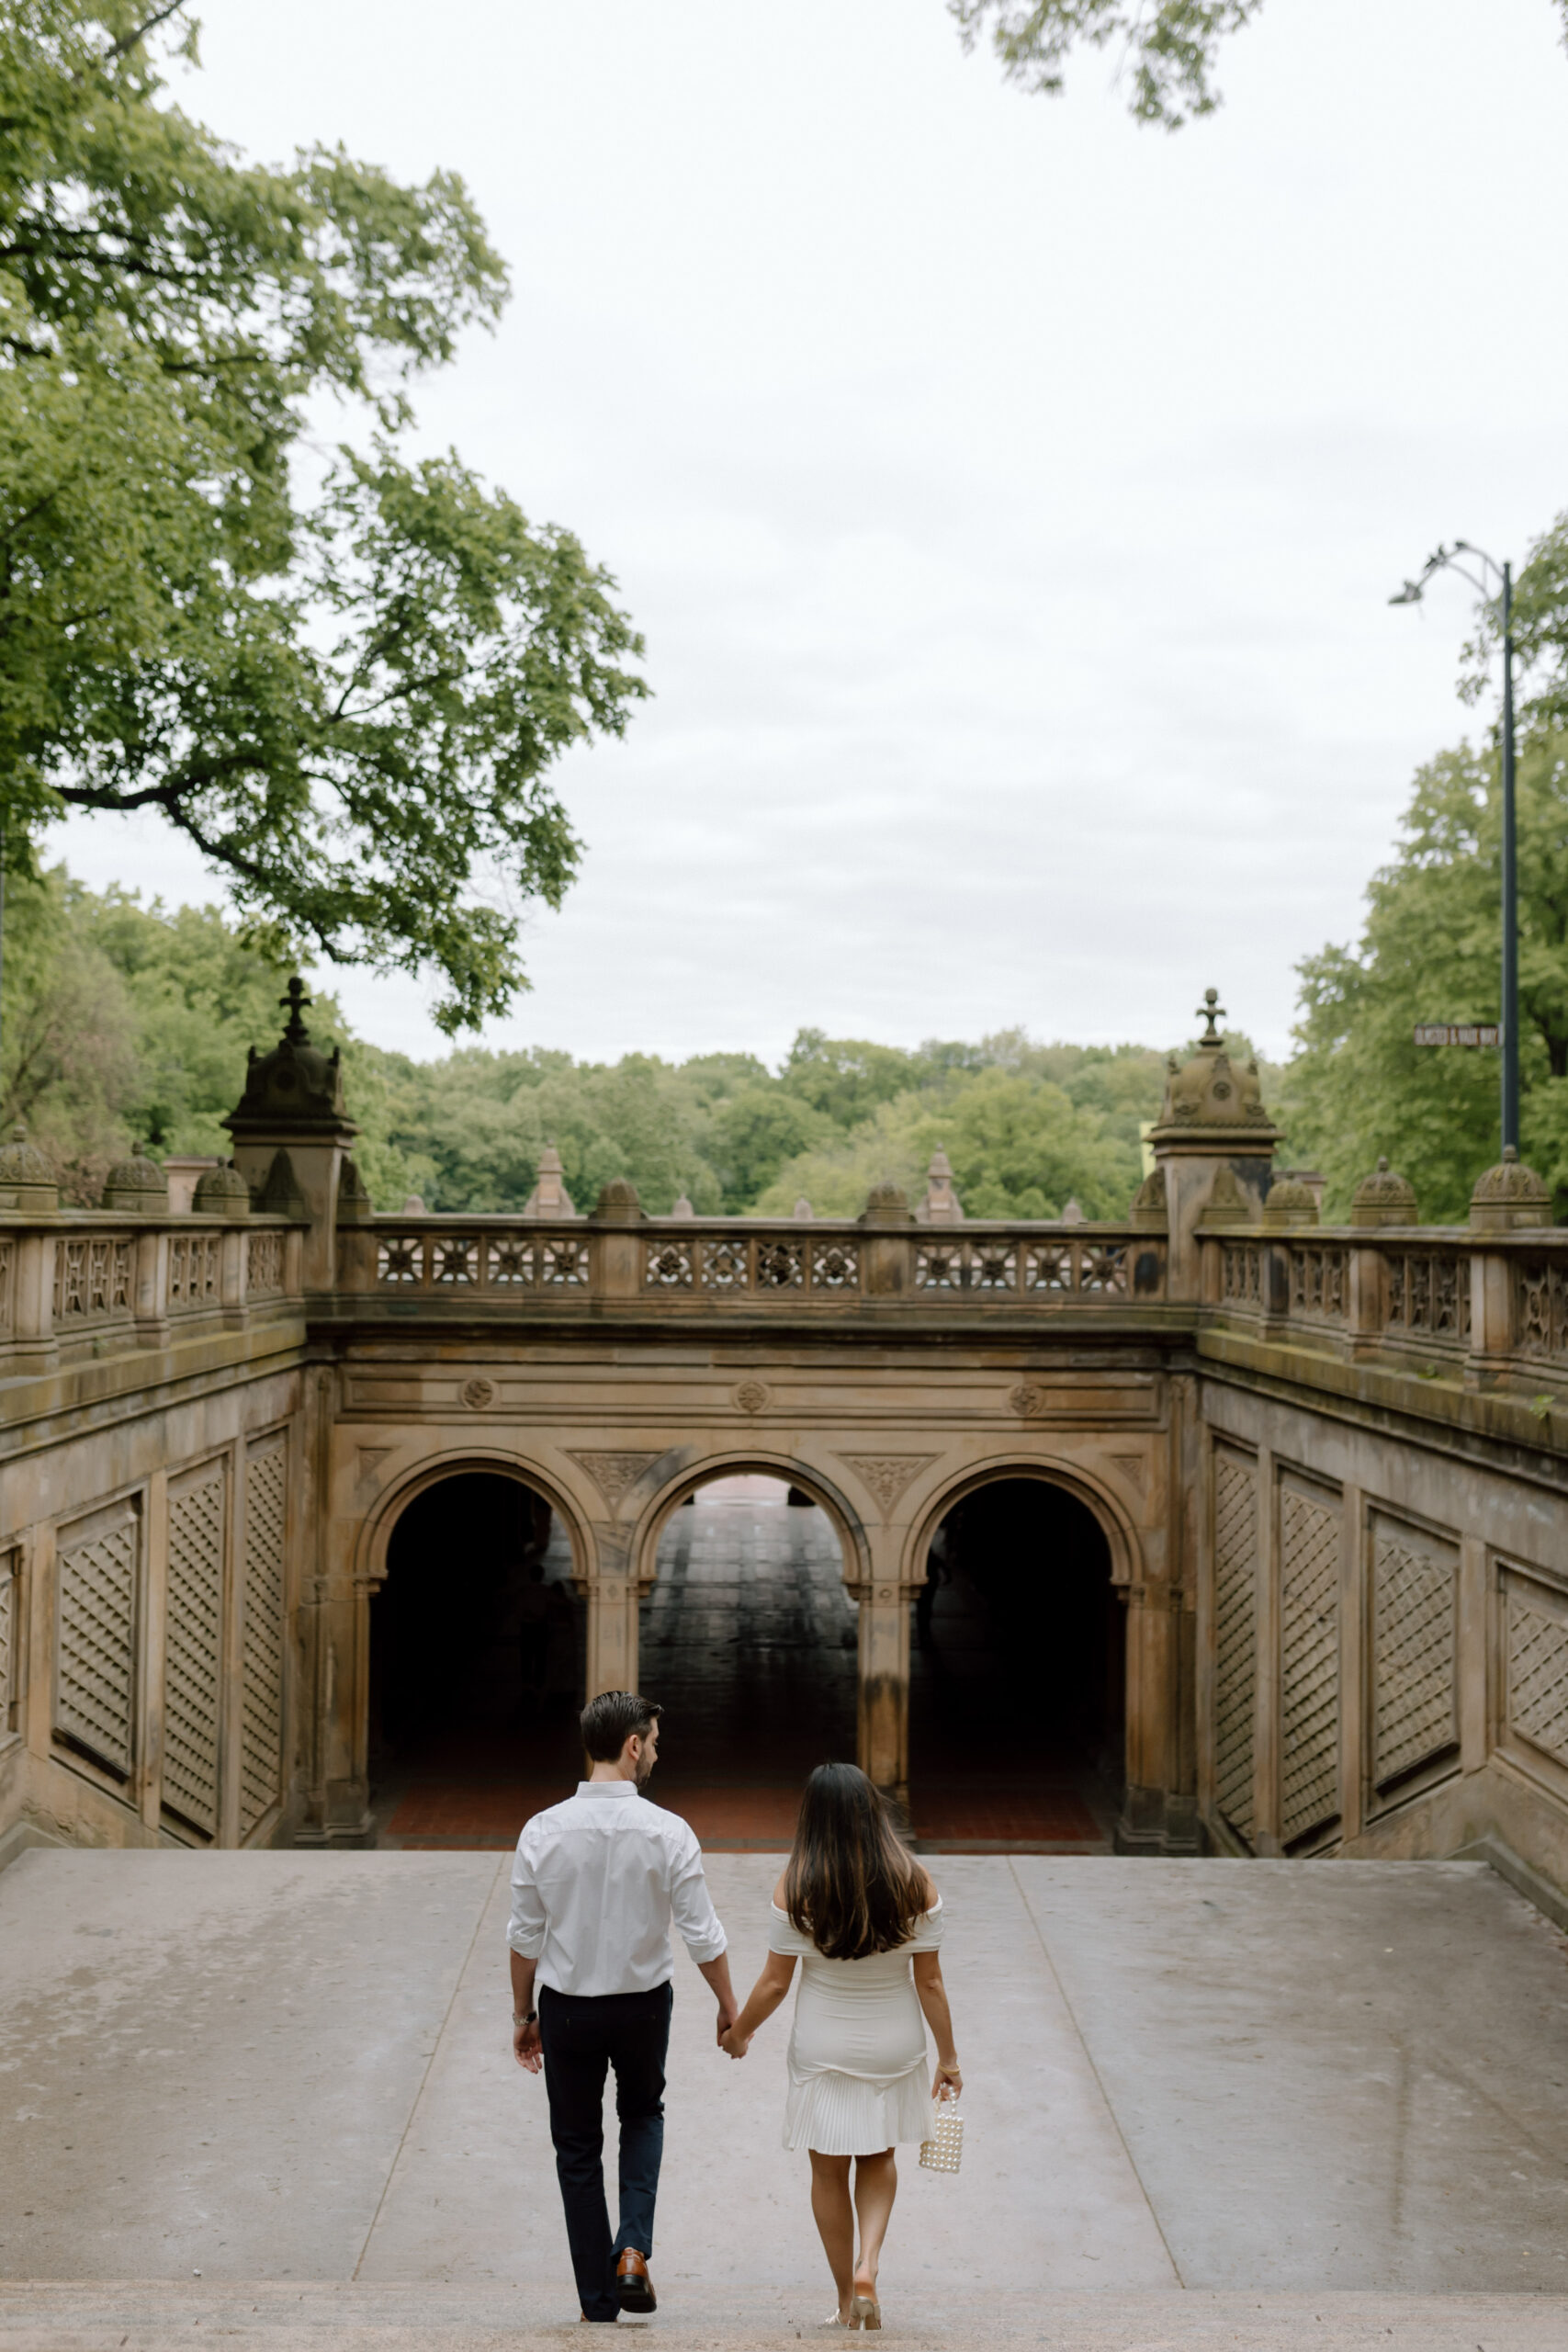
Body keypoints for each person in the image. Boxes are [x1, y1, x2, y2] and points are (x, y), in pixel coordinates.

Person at [509, 1690, 739, 2323]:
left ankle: (597, 2301)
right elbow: (702, 1933)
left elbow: (523, 1939)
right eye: (655, 1744)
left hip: (567, 2008)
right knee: (642, 2115)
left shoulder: (541, 1831)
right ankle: (633, 2248)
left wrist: (522, 2016)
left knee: (577, 2147)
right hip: (642, 2006)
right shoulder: (669, 1832)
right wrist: (728, 2005)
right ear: (632, 1745)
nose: (656, 1756)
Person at [720, 1763, 962, 2330]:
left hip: (823, 2048)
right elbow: (930, 1982)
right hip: (894, 2043)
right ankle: (868, 2268)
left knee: (828, 2173)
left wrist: (739, 2033)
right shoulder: (914, 1880)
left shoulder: (797, 1883)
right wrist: (948, 2059)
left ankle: (843, 2302)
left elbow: (776, 1983)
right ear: (872, 1810)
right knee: (879, 2157)